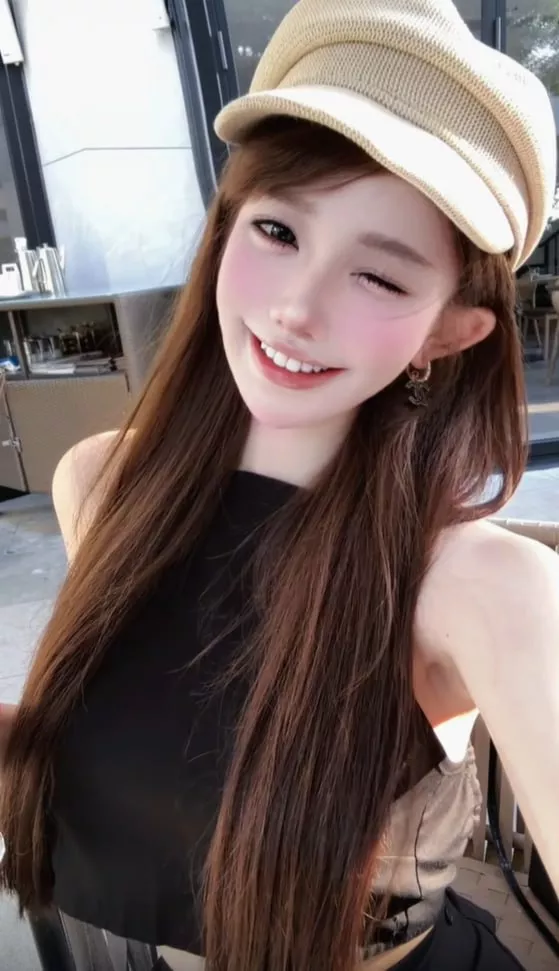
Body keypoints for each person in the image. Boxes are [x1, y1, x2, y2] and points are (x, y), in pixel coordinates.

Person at [1, 0, 558, 969]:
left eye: (378, 277)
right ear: (225, 226)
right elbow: (172, 748)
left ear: (446, 331)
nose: (297, 308)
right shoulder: (101, 485)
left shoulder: (479, 585)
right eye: (277, 229)